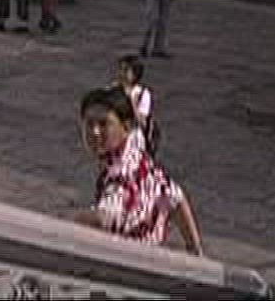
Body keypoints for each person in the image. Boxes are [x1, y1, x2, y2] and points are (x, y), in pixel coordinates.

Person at [74, 86, 202, 254]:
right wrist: (194, 249)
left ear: (126, 127)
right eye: (89, 124)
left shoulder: (120, 173)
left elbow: (107, 215)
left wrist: (68, 224)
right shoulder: (138, 158)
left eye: (104, 124)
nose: (95, 132)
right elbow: (175, 197)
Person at [114, 53, 160, 157]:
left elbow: (142, 121)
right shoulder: (114, 90)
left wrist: (132, 101)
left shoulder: (142, 93)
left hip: (133, 139)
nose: (121, 74)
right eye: (120, 69)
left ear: (135, 74)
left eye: (126, 70)